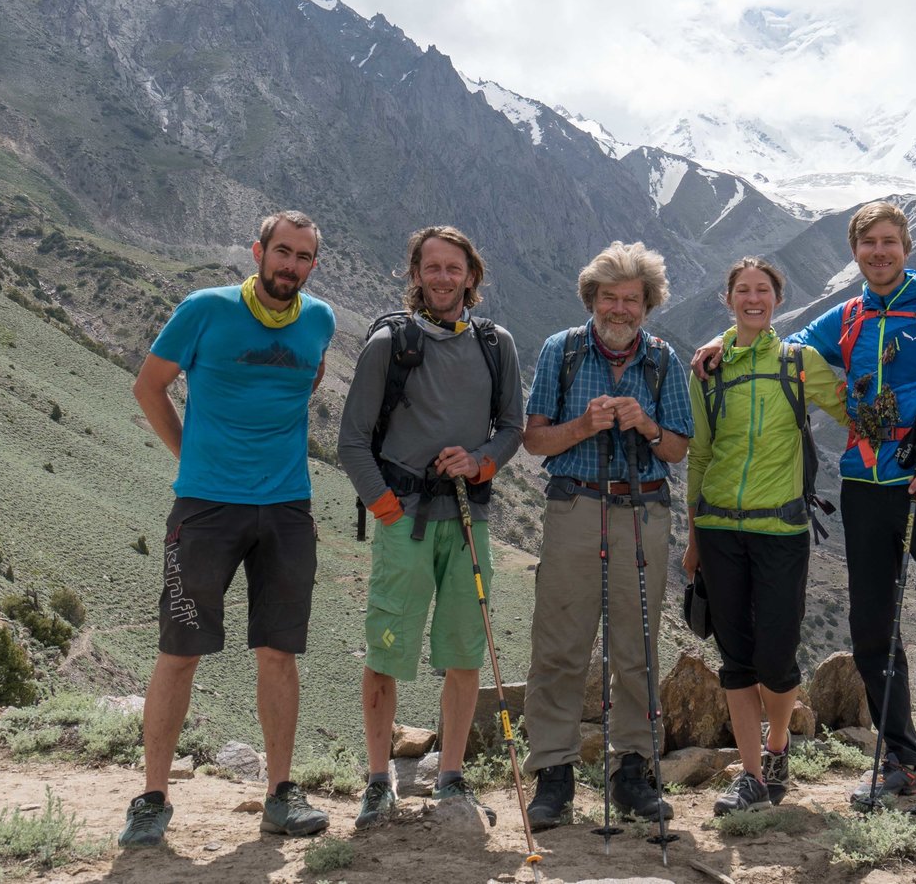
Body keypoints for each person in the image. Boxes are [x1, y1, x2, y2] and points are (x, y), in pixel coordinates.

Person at [694, 201, 916, 827]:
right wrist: (724, 341)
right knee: (873, 632)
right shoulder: (846, 318)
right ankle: (900, 761)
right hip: (866, 488)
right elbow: (780, 344)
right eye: (868, 245)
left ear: (906, 245)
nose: (879, 253)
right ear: (855, 253)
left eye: (889, 243)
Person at [118, 211, 338, 848]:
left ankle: (279, 796)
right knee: (179, 652)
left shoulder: (319, 321)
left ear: (312, 265)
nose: (290, 266)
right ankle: (152, 798)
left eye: (303, 257)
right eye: (282, 252)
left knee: (279, 652)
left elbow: (308, 379)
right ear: (258, 251)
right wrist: (191, 458)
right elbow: (149, 387)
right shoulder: (203, 309)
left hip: (288, 509)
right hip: (206, 510)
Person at [336, 226, 525, 828]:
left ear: (473, 276)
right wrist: (386, 508)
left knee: (465, 651)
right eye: (431, 267)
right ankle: (376, 780)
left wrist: (480, 461)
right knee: (386, 650)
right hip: (406, 522)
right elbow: (351, 441)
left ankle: (450, 775)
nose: (443, 278)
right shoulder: (387, 346)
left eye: (454, 268)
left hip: (470, 519)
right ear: (414, 275)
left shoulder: (498, 346)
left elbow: (512, 426)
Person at [519, 241, 692, 831]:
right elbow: (535, 439)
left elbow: (677, 447)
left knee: (637, 646)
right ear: (592, 298)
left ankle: (633, 773)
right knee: (560, 645)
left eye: (632, 300)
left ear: (648, 305)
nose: (620, 310)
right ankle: (554, 775)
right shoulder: (560, 351)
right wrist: (582, 426)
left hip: (643, 510)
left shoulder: (664, 361)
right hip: (574, 508)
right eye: (610, 298)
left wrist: (644, 423)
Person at [681, 257, 845, 815]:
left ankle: (777, 747)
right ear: (728, 299)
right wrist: (693, 537)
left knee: (776, 658)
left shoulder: (799, 363)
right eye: (742, 290)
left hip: (782, 528)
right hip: (719, 527)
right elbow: (700, 455)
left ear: (778, 298)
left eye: (763, 290)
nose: (753, 298)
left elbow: (854, 412)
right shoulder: (708, 371)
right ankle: (751, 775)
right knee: (736, 658)